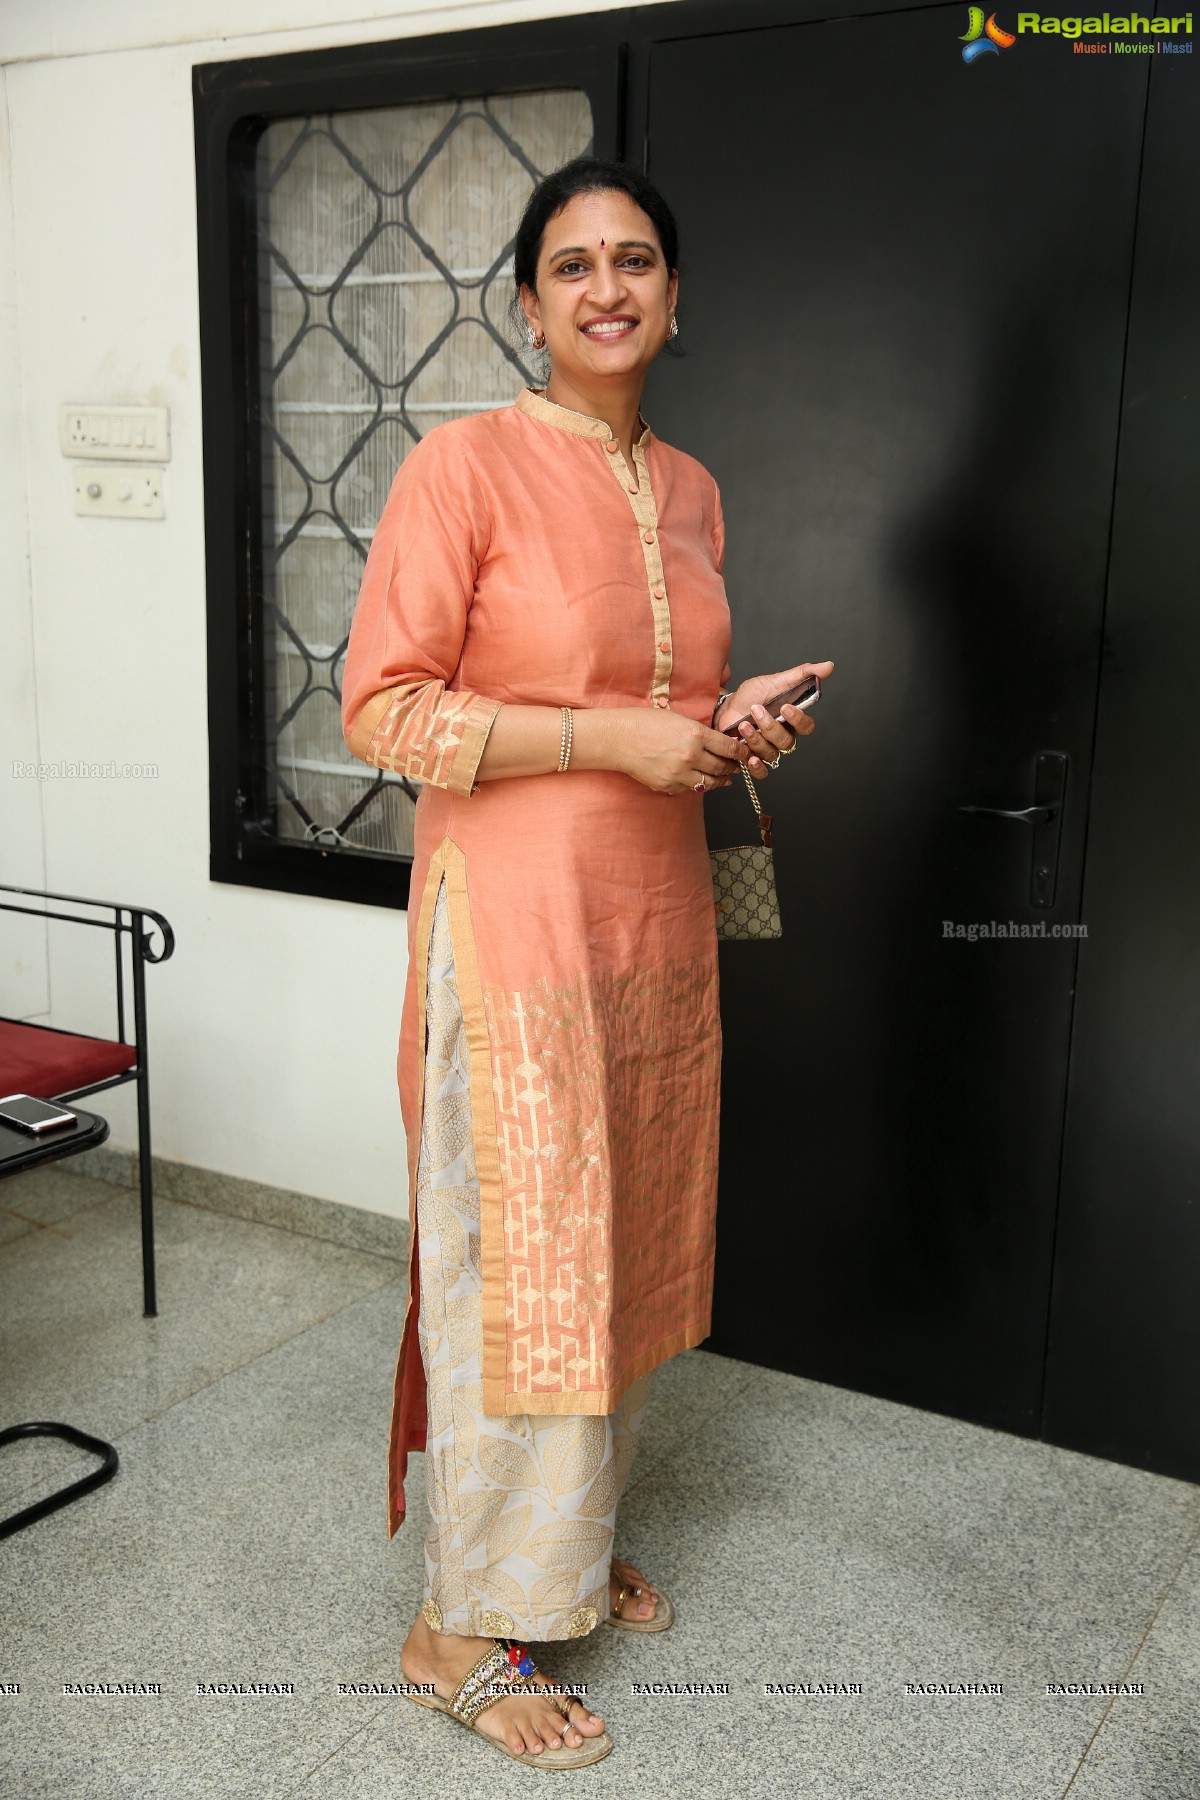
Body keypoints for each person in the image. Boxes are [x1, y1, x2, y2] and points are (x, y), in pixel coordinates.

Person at [341, 154, 833, 1769]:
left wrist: (716, 727)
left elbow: (656, 716)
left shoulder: (688, 487)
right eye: (571, 265)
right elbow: (383, 708)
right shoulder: (463, 467)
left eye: (635, 261)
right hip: (518, 932)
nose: (607, 287)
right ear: (532, 302)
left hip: (655, 926)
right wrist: (606, 732)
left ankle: (554, 1549)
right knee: (521, 1275)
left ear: (676, 300)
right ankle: (457, 1627)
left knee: (613, 1257)